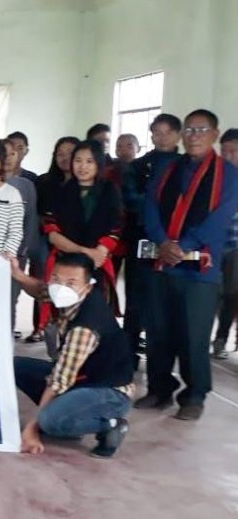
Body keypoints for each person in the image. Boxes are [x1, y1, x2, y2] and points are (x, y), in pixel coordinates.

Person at [136, 110, 238, 421]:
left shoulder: (229, 175)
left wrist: (185, 245)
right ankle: (159, 389)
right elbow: (150, 206)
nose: (194, 135)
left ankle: (194, 396)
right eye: (190, 129)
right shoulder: (168, 169)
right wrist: (162, 241)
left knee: (193, 335)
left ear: (214, 134)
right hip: (163, 264)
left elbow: (219, 218)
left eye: (201, 129)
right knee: (158, 330)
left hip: (199, 269)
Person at [10, 252, 134, 458]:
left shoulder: (85, 326)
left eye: (71, 282)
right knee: (14, 366)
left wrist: (32, 429)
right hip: (82, 378)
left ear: (88, 285)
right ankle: (69, 415)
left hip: (108, 391)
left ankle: (109, 425)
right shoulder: (69, 295)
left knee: (49, 421)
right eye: (56, 279)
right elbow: (41, 290)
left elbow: (59, 381)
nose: (61, 287)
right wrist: (18, 274)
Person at [38, 140, 123, 338]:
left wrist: (100, 251)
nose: (82, 166)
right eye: (78, 160)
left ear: (98, 164)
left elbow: (116, 227)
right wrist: (85, 252)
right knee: (65, 313)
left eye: (89, 161)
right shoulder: (61, 191)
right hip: (66, 263)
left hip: (98, 264)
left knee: (96, 313)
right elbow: (51, 232)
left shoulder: (110, 191)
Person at [122, 114, 181, 361]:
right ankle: (128, 352)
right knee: (136, 297)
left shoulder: (187, 165)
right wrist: (158, 208)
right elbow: (130, 198)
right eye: (157, 132)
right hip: (141, 238)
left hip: (178, 241)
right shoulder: (138, 166)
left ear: (178, 134)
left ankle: (164, 355)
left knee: (169, 300)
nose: (162, 137)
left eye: (167, 132)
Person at [27, 136, 81, 343]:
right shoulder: (43, 181)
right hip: (47, 241)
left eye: (70, 153)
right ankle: (40, 326)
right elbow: (38, 213)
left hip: (75, 244)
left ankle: (69, 331)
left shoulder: (86, 185)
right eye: (60, 154)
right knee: (44, 283)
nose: (65, 158)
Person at [4, 138, 39, 335]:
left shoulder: (26, 185)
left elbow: (31, 220)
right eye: (3, 153)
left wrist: (22, 251)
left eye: (12, 153)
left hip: (17, 256)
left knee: (9, 301)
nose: (7, 158)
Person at [213, 129, 238, 359]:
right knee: (210, 293)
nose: (228, 155)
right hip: (212, 245)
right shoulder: (215, 177)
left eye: (233, 150)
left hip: (235, 247)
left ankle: (221, 339)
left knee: (230, 294)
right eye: (224, 150)